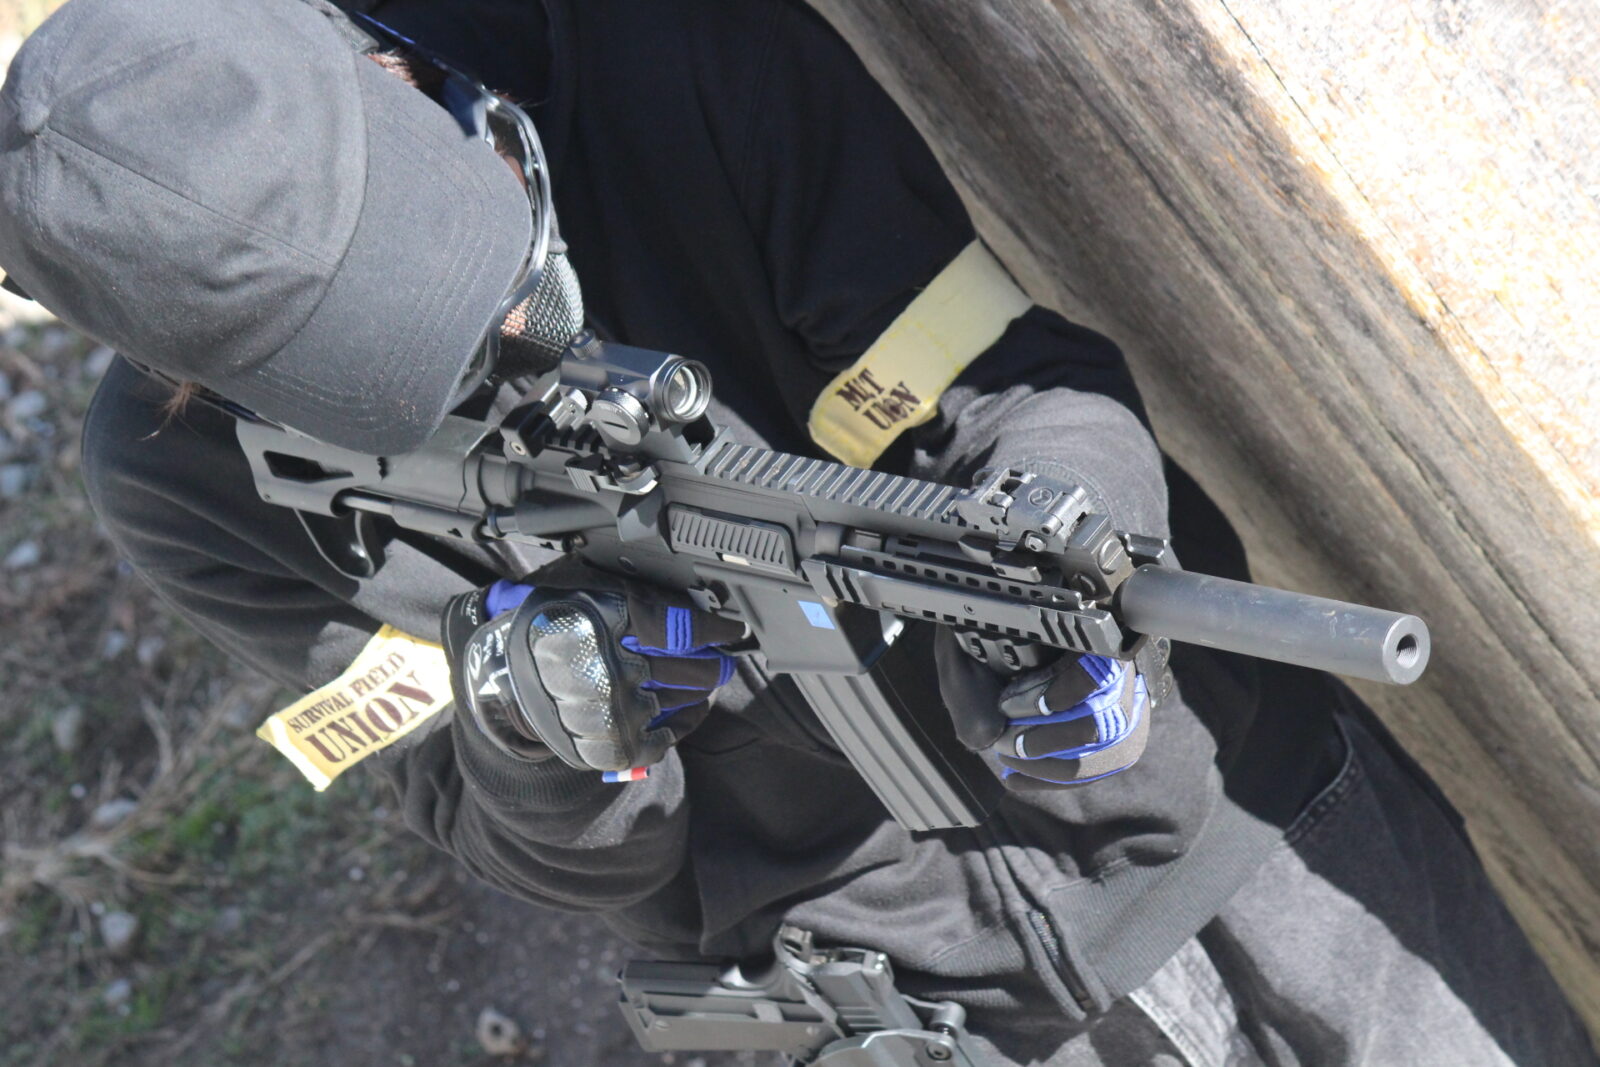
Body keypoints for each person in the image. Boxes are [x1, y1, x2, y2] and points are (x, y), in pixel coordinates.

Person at [0, 0, 1591, 1062]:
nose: (488, 335)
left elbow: (1013, 379)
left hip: (1253, 816)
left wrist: (1080, 564)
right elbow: (479, 821)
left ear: (374, 69)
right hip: (911, 1012)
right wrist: (549, 745)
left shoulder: (657, 55)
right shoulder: (178, 481)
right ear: (182, 369)